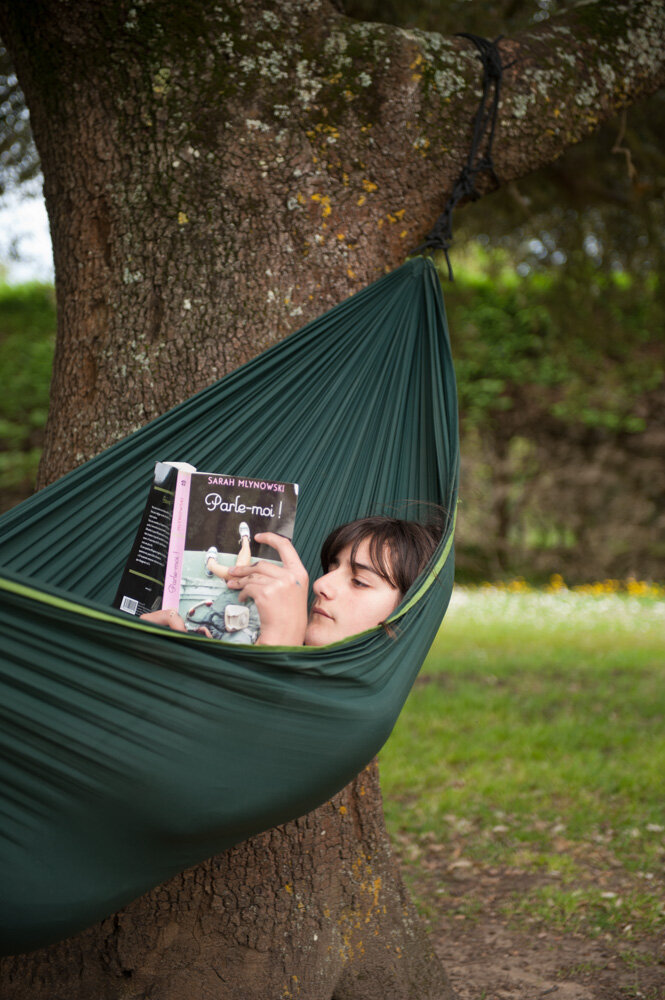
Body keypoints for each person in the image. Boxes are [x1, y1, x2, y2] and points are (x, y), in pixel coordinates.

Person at [142, 516, 441, 647]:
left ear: (408, 613)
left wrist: (279, 643)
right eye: (331, 567)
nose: (320, 585)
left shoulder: (356, 712)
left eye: (359, 581)